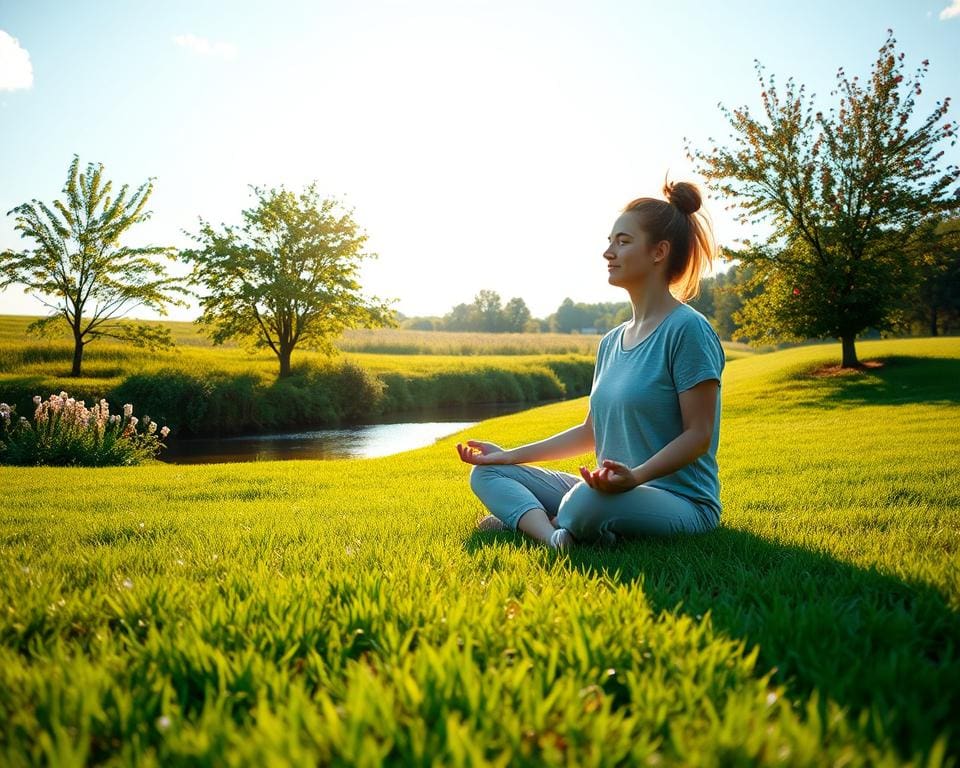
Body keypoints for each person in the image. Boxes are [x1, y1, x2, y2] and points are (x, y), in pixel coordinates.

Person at [456, 178, 725, 550]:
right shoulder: (611, 342)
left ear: (659, 252)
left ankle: (528, 521)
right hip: (610, 490)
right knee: (487, 474)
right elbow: (590, 432)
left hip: (681, 502)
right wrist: (508, 455)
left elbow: (699, 434)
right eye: (610, 241)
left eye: (623, 241)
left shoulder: (687, 329)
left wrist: (636, 477)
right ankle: (554, 536)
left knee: (583, 500)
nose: (608, 252)